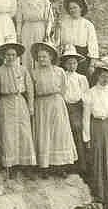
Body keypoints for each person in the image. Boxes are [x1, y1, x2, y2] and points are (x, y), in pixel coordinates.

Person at [30, 42, 77, 177]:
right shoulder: (34, 72)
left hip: (56, 103)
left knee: (59, 133)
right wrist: (32, 107)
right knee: (43, 133)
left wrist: (57, 100)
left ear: (50, 57)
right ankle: (45, 167)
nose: (42, 59)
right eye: (39, 57)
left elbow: (63, 88)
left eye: (44, 57)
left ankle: (60, 166)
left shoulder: (59, 71)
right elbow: (32, 91)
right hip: (41, 104)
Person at [81, 56, 108, 205]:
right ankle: (101, 195)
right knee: (99, 158)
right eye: (103, 76)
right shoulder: (90, 93)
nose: (106, 79)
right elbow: (86, 118)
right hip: (97, 127)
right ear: (98, 75)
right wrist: (86, 138)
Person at [0, 41, 36, 180]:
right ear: (4, 56)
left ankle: (26, 164)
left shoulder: (23, 70)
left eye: (13, 55)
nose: (10, 57)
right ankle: (11, 165)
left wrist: (30, 106)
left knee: (24, 133)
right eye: (8, 55)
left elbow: (30, 89)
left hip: (20, 102)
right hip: (6, 103)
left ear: (17, 56)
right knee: (8, 134)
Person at [60, 45, 89, 177]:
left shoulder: (81, 78)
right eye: (69, 63)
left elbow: (85, 95)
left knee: (78, 130)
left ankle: (81, 165)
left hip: (78, 107)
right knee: (66, 132)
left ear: (77, 64)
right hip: (65, 106)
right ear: (65, 64)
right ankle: (67, 164)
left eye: (74, 63)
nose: (72, 65)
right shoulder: (62, 76)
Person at [15, 0, 55, 70]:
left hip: (40, 29)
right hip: (27, 29)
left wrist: (47, 33)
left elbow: (49, 20)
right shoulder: (22, 1)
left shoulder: (44, 1)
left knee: (40, 52)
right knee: (27, 53)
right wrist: (19, 35)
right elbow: (19, 20)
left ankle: (41, 77)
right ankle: (28, 78)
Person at [57, 0, 98, 78]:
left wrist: (92, 65)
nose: (73, 10)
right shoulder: (63, 23)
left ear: (81, 8)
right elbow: (58, 41)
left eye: (75, 7)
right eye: (70, 8)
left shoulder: (88, 24)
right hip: (66, 55)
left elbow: (93, 45)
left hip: (81, 57)